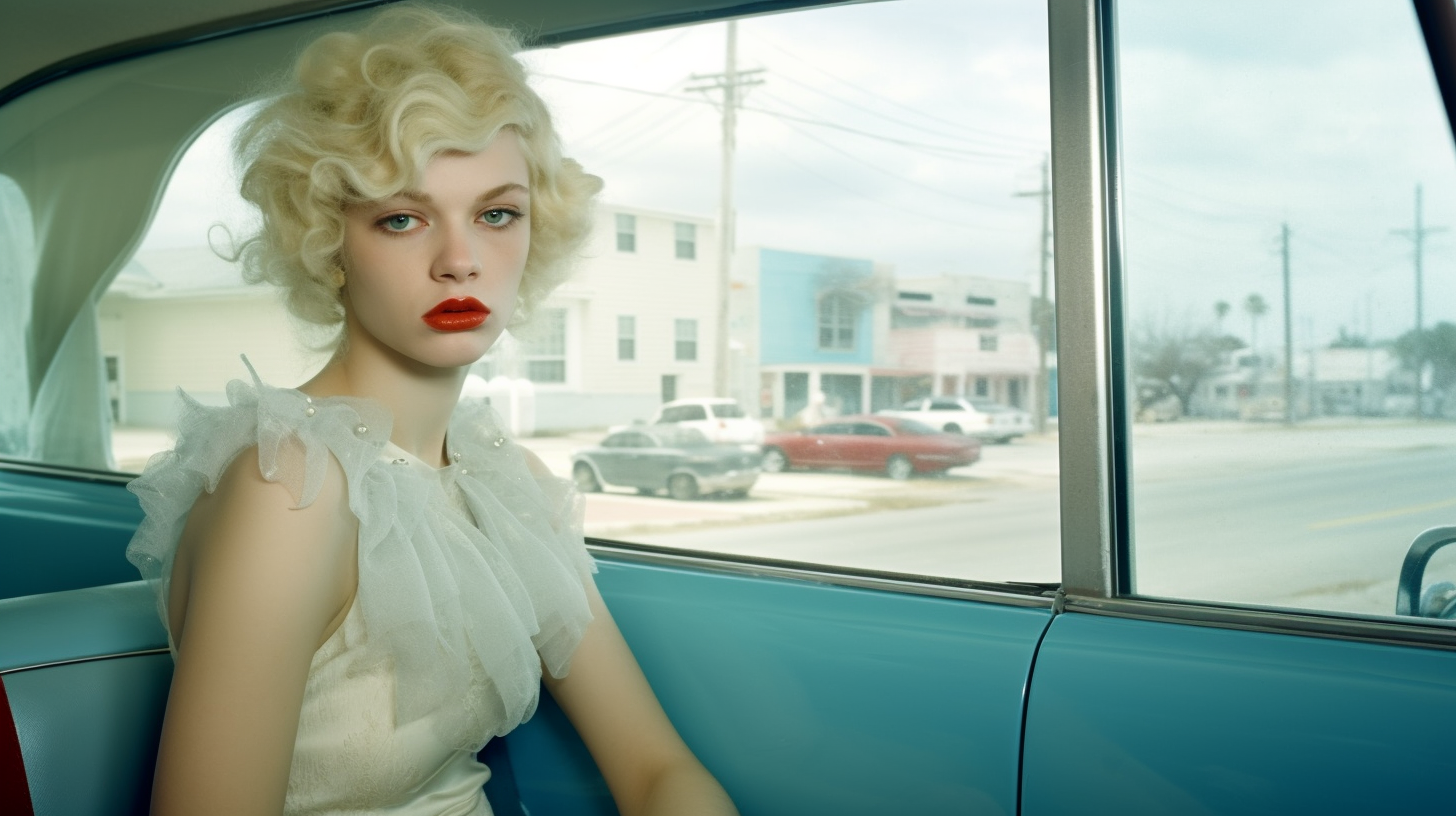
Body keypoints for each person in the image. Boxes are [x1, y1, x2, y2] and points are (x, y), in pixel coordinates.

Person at [124, 6, 738, 815]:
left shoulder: (503, 480)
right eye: (402, 218)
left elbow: (659, 771)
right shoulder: (291, 490)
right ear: (327, 237)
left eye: (496, 213)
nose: (460, 260)